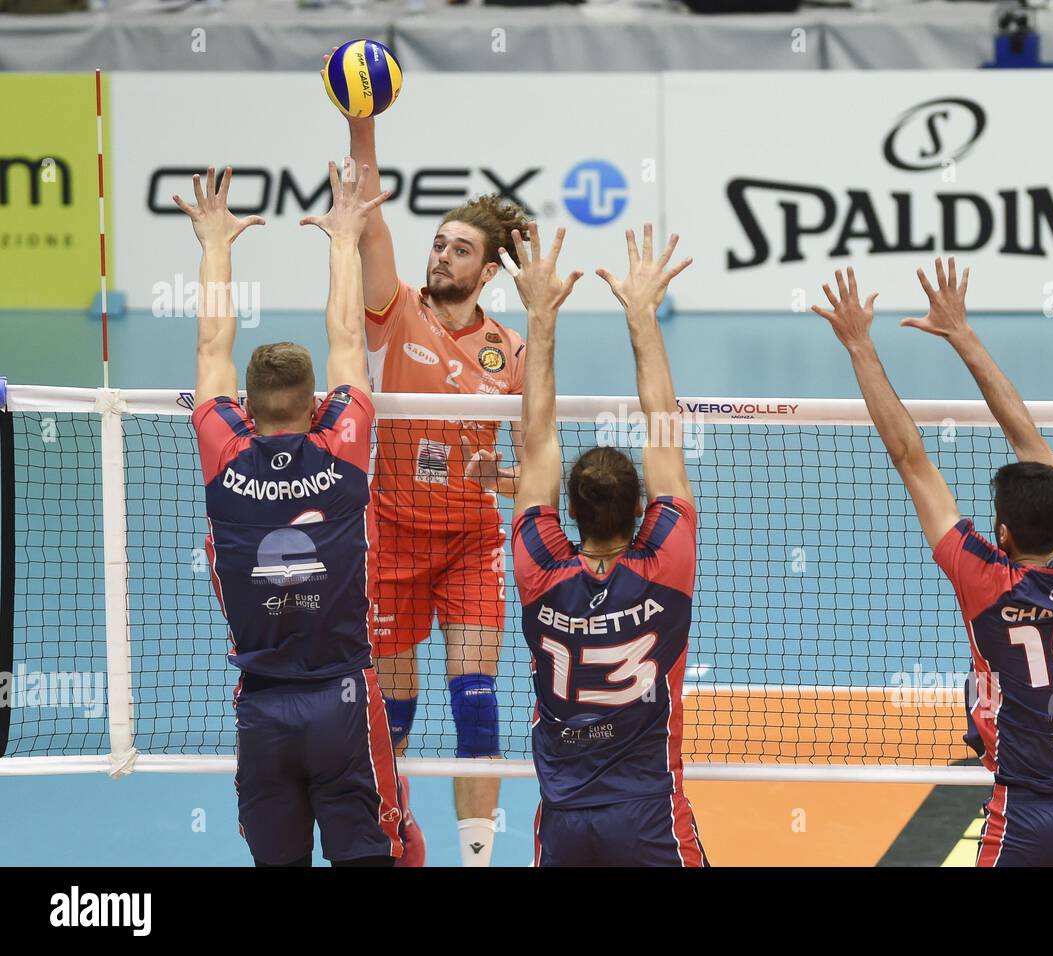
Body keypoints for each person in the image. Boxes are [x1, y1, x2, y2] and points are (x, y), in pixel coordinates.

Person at [813, 258, 1053, 867]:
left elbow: (910, 457)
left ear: (1003, 532)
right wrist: (964, 334)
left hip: (1028, 811)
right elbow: (1029, 440)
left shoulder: (983, 579)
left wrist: (858, 344)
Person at [330, 68, 528, 868]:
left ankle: (476, 862)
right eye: (439, 242)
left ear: (488, 273)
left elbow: (528, 475)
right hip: (394, 536)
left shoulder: (510, 350)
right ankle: (387, 845)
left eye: (460, 249)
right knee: (395, 709)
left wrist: (496, 476)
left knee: (477, 707)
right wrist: (362, 123)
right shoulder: (396, 309)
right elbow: (370, 219)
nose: (441, 255)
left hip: (473, 543)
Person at [182, 162, 402, 866]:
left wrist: (215, 245)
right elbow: (348, 341)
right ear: (315, 409)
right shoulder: (342, 451)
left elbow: (212, 347)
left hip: (264, 712)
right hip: (343, 699)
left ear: (244, 410)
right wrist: (344, 239)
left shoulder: (224, 451)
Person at [507, 222, 708, 866]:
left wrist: (540, 316)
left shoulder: (539, 564)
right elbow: (663, 423)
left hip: (563, 819)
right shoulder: (668, 558)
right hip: (648, 812)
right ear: (644, 510)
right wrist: (643, 316)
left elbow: (536, 437)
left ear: (567, 511)